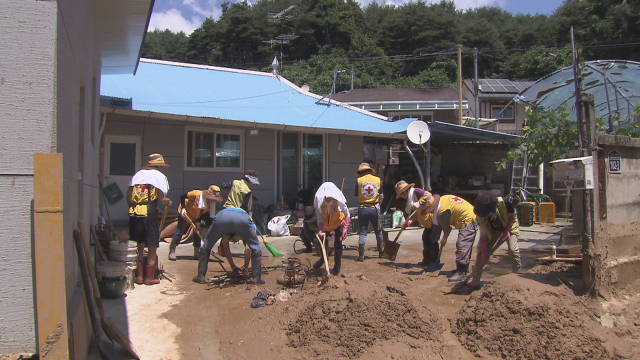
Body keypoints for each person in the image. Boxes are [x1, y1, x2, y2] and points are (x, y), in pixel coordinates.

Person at [193, 171, 264, 285]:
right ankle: (256, 279)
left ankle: (200, 276)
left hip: (223, 215)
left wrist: (223, 195)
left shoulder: (234, 182)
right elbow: (245, 208)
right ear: (249, 181)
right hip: (240, 216)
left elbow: (223, 185)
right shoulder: (248, 192)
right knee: (255, 247)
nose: (253, 185)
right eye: (253, 183)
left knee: (206, 246)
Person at [127, 153, 172, 285]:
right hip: (149, 212)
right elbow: (161, 198)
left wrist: (131, 208)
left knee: (140, 246)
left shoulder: (137, 175)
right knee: (152, 246)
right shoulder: (158, 177)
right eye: (161, 166)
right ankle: (149, 278)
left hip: (134, 212)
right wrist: (167, 202)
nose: (162, 169)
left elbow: (128, 195)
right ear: (158, 166)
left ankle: (139, 277)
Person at [420, 193, 478, 282]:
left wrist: (444, 239)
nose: (430, 213)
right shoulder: (443, 199)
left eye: (429, 211)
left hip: (468, 219)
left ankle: (461, 272)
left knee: (462, 244)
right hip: (470, 213)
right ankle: (465, 268)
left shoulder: (442, 213)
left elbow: (447, 229)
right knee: (466, 244)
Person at [469, 192, 521, 288]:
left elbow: (512, 215)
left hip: (509, 225)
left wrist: (507, 230)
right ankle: (475, 279)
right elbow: (483, 234)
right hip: (493, 230)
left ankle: (517, 273)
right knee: (481, 252)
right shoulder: (480, 214)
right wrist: (485, 252)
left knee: (513, 250)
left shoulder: (504, 203)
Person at [168, 185, 223, 261]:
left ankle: (196, 254)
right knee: (179, 231)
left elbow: (202, 213)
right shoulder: (195, 194)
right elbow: (182, 196)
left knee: (197, 232)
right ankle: (172, 251)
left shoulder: (210, 204)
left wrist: (198, 222)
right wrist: (183, 208)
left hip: (195, 216)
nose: (214, 200)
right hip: (185, 213)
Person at [394, 180, 442, 266]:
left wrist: (419, 203)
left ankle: (434, 262)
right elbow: (417, 215)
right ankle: (427, 261)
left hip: (435, 219)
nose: (403, 197)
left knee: (433, 240)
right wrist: (409, 222)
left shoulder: (417, 191)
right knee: (426, 239)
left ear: (405, 191)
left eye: (402, 195)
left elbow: (429, 196)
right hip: (428, 222)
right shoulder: (411, 201)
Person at [312, 182, 351, 275]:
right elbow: (320, 217)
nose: (329, 198)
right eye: (327, 197)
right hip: (326, 225)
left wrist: (345, 229)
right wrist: (321, 229)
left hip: (338, 223)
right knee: (321, 243)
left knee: (338, 244)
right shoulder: (320, 203)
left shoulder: (339, 202)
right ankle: (322, 259)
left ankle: (337, 266)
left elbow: (347, 214)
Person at [355, 163, 384, 260]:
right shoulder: (378, 180)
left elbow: (356, 196)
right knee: (378, 230)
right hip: (374, 208)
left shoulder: (359, 181)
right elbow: (381, 196)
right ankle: (381, 253)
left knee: (363, 231)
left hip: (363, 209)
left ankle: (361, 255)